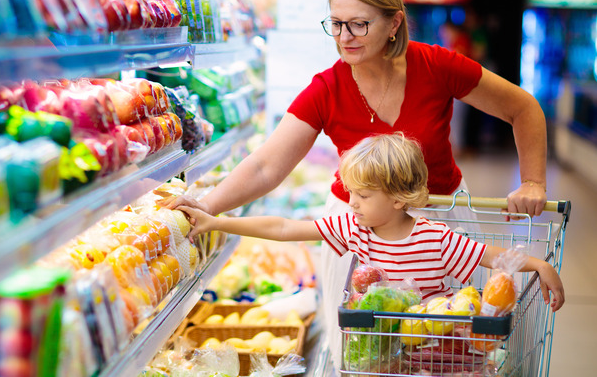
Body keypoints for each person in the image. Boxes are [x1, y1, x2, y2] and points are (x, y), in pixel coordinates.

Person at [159, 0, 549, 368]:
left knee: (442, 347)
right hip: (360, 233)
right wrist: (209, 205)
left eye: (359, 24)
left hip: (439, 227)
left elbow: (522, 108)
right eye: (336, 24)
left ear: (394, 22)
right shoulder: (327, 88)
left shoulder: (437, 66)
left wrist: (534, 181)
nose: (345, 37)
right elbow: (265, 167)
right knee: (364, 355)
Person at [178, 133, 565, 310]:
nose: (351, 202)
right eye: (351, 193)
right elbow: (283, 228)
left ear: (398, 199)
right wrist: (216, 221)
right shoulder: (353, 228)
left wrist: (538, 264)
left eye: (362, 196)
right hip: (374, 355)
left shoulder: (437, 238)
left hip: (430, 352)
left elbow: (488, 256)